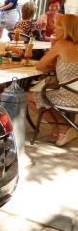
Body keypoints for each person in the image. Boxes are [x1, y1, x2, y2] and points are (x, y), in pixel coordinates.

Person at [28, 14, 78, 146]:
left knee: (29, 96)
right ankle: (60, 129)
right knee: (45, 93)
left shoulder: (61, 44)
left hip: (70, 95)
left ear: (65, 29)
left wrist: (53, 48)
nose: (55, 31)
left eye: (57, 28)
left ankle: (64, 127)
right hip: (74, 92)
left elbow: (40, 66)